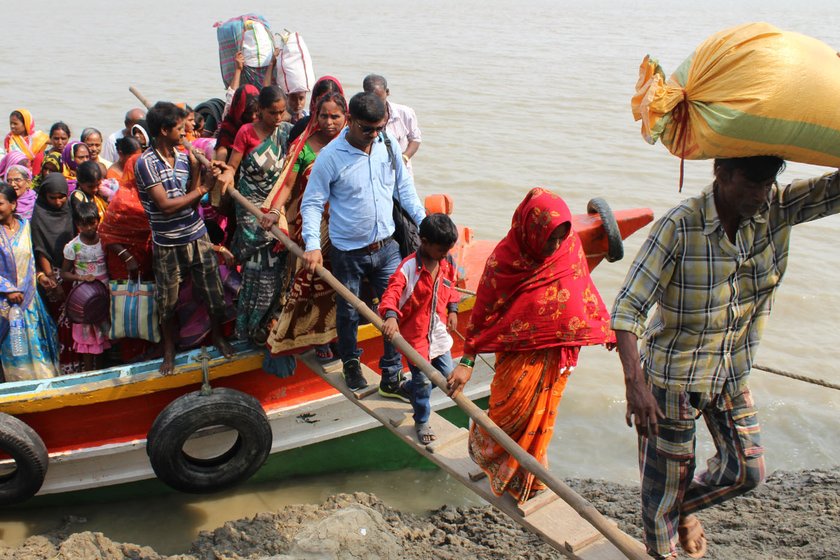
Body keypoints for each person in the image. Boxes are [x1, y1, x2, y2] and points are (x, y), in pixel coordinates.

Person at [611, 156, 840, 559]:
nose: (760, 195)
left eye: (767, 184)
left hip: (731, 374)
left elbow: (834, 191)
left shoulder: (777, 209)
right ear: (722, 174)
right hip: (673, 381)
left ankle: (677, 508)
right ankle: (664, 534)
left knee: (747, 472)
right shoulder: (680, 226)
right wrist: (636, 385)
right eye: (751, 185)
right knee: (662, 492)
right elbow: (628, 309)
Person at [446, 187, 614, 504]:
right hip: (517, 355)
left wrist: (603, 329)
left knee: (540, 419)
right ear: (530, 230)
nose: (554, 245)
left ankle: (529, 480)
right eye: (549, 238)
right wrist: (466, 363)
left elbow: (582, 289)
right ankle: (499, 462)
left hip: (557, 352)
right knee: (506, 414)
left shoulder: (568, 247)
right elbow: (482, 313)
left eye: (560, 238)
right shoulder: (504, 262)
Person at [300, 91, 425, 395]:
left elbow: (404, 189)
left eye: (379, 128)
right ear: (350, 121)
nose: (373, 135)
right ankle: (351, 363)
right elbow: (312, 203)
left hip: (387, 247)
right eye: (366, 129)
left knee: (393, 310)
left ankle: (391, 375)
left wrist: (425, 226)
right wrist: (312, 245)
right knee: (348, 312)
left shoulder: (386, 143)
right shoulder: (330, 156)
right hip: (348, 252)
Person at [134, 101, 232, 374]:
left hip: (196, 235)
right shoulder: (146, 163)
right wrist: (203, 186)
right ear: (164, 130)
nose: (185, 132)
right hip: (167, 243)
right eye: (180, 128)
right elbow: (165, 205)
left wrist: (200, 173)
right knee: (167, 302)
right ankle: (169, 350)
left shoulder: (183, 157)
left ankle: (217, 337)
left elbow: (190, 203)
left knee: (213, 293)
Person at [262, 88, 348, 359]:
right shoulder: (305, 145)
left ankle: (337, 336)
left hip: (345, 224)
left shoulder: (354, 142)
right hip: (311, 224)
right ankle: (314, 337)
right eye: (323, 116)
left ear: (346, 116)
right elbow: (288, 184)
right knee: (312, 279)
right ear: (315, 115)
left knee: (342, 283)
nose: (329, 122)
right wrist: (275, 211)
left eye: (335, 116)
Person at [216, 85, 292, 342]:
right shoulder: (246, 132)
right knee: (256, 270)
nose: (278, 118)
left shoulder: (286, 133)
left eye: (282, 112)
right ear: (259, 111)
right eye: (273, 113)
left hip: (274, 207)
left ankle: (266, 323)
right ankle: (248, 328)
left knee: (275, 271)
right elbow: (233, 166)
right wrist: (225, 175)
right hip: (250, 208)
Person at [380, 213, 460, 444]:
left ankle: (410, 387)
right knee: (424, 381)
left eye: (447, 251)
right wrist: (391, 316)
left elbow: (451, 286)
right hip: (415, 338)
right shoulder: (408, 268)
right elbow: (392, 293)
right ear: (423, 242)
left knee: (447, 378)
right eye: (440, 250)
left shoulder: (447, 263)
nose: (444, 255)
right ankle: (422, 420)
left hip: (438, 333)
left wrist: (453, 309)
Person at [0, 182, 60, 381]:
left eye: (0, 203)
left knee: (38, 346)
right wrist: (7, 290)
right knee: (14, 350)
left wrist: (42, 276)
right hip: (6, 305)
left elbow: (32, 259)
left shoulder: (26, 227)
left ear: (13, 205)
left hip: (31, 300)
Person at [60, 202, 109, 371]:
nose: (88, 228)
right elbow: (64, 273)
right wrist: (81, 277)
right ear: (77, 225)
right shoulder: (72, 246)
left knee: (103, 335)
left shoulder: (105, 239)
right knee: (88, 337)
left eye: (92, 223)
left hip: (105, 294)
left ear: (98, 220)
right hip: (85, 299)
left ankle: (103, 370)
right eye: (83, 224)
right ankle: (89, 373)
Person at [362, 74, 421, 173]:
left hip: (402, 172)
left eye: (379, 100)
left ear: (387, 92)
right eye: (372, 101)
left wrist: (405, 157)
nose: (377, 105)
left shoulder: (405, 113)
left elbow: (415, 139)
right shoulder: (360, 117)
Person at [216, 84, 260, 163]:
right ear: (239, 109)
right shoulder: (229, 124)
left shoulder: (263, 125)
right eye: (248, 113)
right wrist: (220, 163)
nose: (253, 117)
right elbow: (222, 148)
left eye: (256, 112)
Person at [5, 109, 49, 175]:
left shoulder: (38, 136)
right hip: (17, 171)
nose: (12, 126)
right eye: (11, 123)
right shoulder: (10, 138)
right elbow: (10, 158)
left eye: (15, 124)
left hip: (37, 169)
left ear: (25, 124)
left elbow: (55, 142)